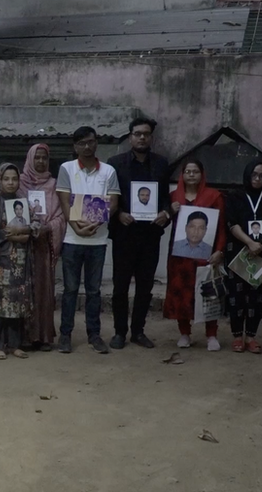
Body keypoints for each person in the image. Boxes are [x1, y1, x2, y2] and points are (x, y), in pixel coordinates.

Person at [107, 117, 171, 349]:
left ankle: (138, 331)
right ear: (130, 136)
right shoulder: (115, 164)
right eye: (137, 133)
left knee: (145, 287)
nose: (141, 137)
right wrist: (118, 214)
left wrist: (166, 212)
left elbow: (166, 196)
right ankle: (119, 332)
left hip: (150, 235)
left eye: (146, 133)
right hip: (124, 234)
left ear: (151, 137)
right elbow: (109, 196)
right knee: (120, 286)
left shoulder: (162, 164)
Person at [56, 127, 120, 354]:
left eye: (91, 142)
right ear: (75, 146)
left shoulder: (109, 171)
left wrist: (95, 224)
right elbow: (64, 200)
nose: (87, 146)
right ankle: (65, 335)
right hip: (72, 240)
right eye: (82, 143)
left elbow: (113, 203)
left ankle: (94, 334)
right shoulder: (67, 168)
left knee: (94, 291)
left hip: (98, 239)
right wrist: (75, 226)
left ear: (96, 143)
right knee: (70, 290)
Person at [163, 160, 226, 351]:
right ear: (182, 175)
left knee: (209, 294)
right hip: (179, 258)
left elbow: (221, 227)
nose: (191, 175)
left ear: (202, 174)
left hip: (205, 256)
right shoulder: (173, 196)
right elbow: (163, 223)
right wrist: (169, 211)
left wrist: (219, 251)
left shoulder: (214, 196)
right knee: (181, 294)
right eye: (187, 171)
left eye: (195, 171)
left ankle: (211, 335)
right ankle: (184, 333)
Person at [224, 159, 262, 354]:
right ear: (247, 174)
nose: (257, 178)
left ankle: (251, 336)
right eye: (254, 174)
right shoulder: (234, 195)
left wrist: (261, 244)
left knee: (257, 297)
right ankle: (237, 336)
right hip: (240, 252)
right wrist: (249, 242)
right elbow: (231, 223)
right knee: (237, 296)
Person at [19, 143, 65, 352]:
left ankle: (44, 336)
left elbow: (60, 216)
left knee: (43, 290)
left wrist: (48, 227)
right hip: (21, 245)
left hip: (43, 247)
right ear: (30, 158)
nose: (40, 161)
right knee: (24, 289)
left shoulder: (54, 184)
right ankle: (25, 336)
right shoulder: (18, 183)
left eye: (44, 158)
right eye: (36, 157)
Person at [0, 163, 35, 360]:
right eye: (6, 179)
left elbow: (34, 225)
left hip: (21, 260)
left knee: (18, 300)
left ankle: (15, 344)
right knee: (0, 301)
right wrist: (18, 237)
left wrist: (25, 232)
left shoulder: (23, 203)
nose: (10, 182)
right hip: (1, 260)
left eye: (14, 179)